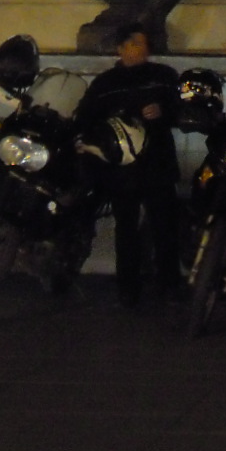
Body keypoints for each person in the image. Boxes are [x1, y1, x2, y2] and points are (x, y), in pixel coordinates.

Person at [72, 24, 185, 308]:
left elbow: (181, 108)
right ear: (120, 49)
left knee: (164, 226)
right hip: (122, 167)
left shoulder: (163, 76)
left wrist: (163, 112)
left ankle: (169, 283)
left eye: (144, 43)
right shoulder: (105, 83)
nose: (141, 49)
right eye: (135, 43)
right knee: (126, 227)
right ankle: (128, 287)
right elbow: (86, 116)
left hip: (157, 161)